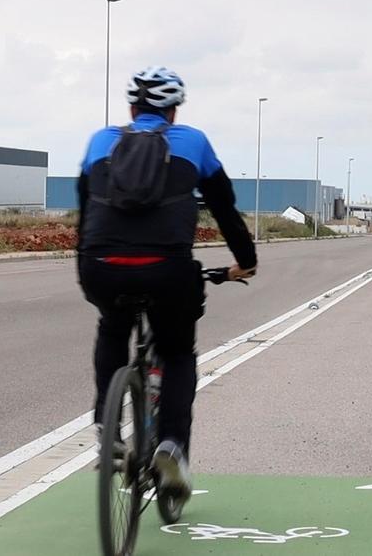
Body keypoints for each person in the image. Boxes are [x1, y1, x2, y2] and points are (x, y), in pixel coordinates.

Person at [77, 65, 256, 498]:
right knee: (176, 351)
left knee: (113, 326)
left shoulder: (100, 142)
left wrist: (92, 261)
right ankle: (172, 445)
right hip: (166, 270)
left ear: (131, 108)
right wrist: (245, 261)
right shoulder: (193, 142)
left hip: (100, 265)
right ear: (173, 111)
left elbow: (85, 211)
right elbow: (224, 208)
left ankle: (106, 426)